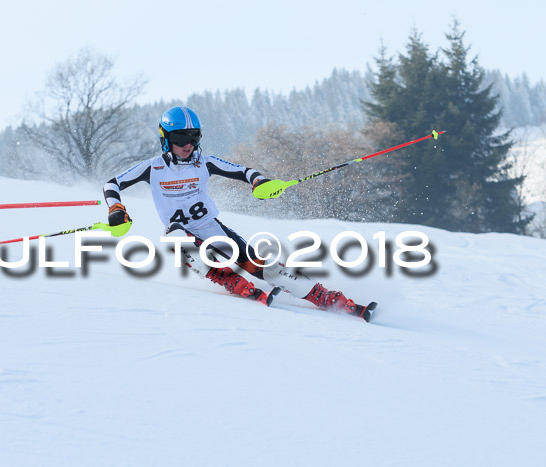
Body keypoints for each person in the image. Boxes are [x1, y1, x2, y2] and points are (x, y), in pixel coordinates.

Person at [103, 106, 375, 320]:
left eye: (194, 137)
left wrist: (260, 183)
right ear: (165, 138)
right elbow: (111, 183)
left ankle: (326, 297)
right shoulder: (153, 168)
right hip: (181, 235)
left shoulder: (204, 163)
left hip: (211, 228)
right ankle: (228, 279)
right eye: (179, 138)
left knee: (263, 267)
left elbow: (245, 171)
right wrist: (116, 209)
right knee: (173, 235)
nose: (188, 144)